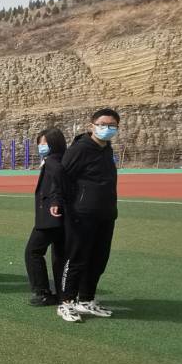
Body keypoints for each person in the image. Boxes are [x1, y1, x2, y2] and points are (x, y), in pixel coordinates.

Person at [56, 109, 121, 323]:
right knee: (76, 259)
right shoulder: (80, 149)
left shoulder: (106, 149)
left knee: (98, 260)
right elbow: (62, 177)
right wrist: (63, 203)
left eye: (112, 125)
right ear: (92, 125)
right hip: (81, 214)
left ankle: (86, 300)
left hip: (105, 214)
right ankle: (66, 302)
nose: (107, 128)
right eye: (102, 124)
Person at [24, 128, 67, 307]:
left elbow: (59, 183)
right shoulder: (61, 160)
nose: (41, 146)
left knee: (33, 252)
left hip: (50, 218)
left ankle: (42, 292)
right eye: (40, 143)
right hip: (61, 217)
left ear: (54, 144)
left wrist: (56, 201)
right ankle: (63, 294)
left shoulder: (52, 162)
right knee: (60, 256)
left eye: (45, 143)